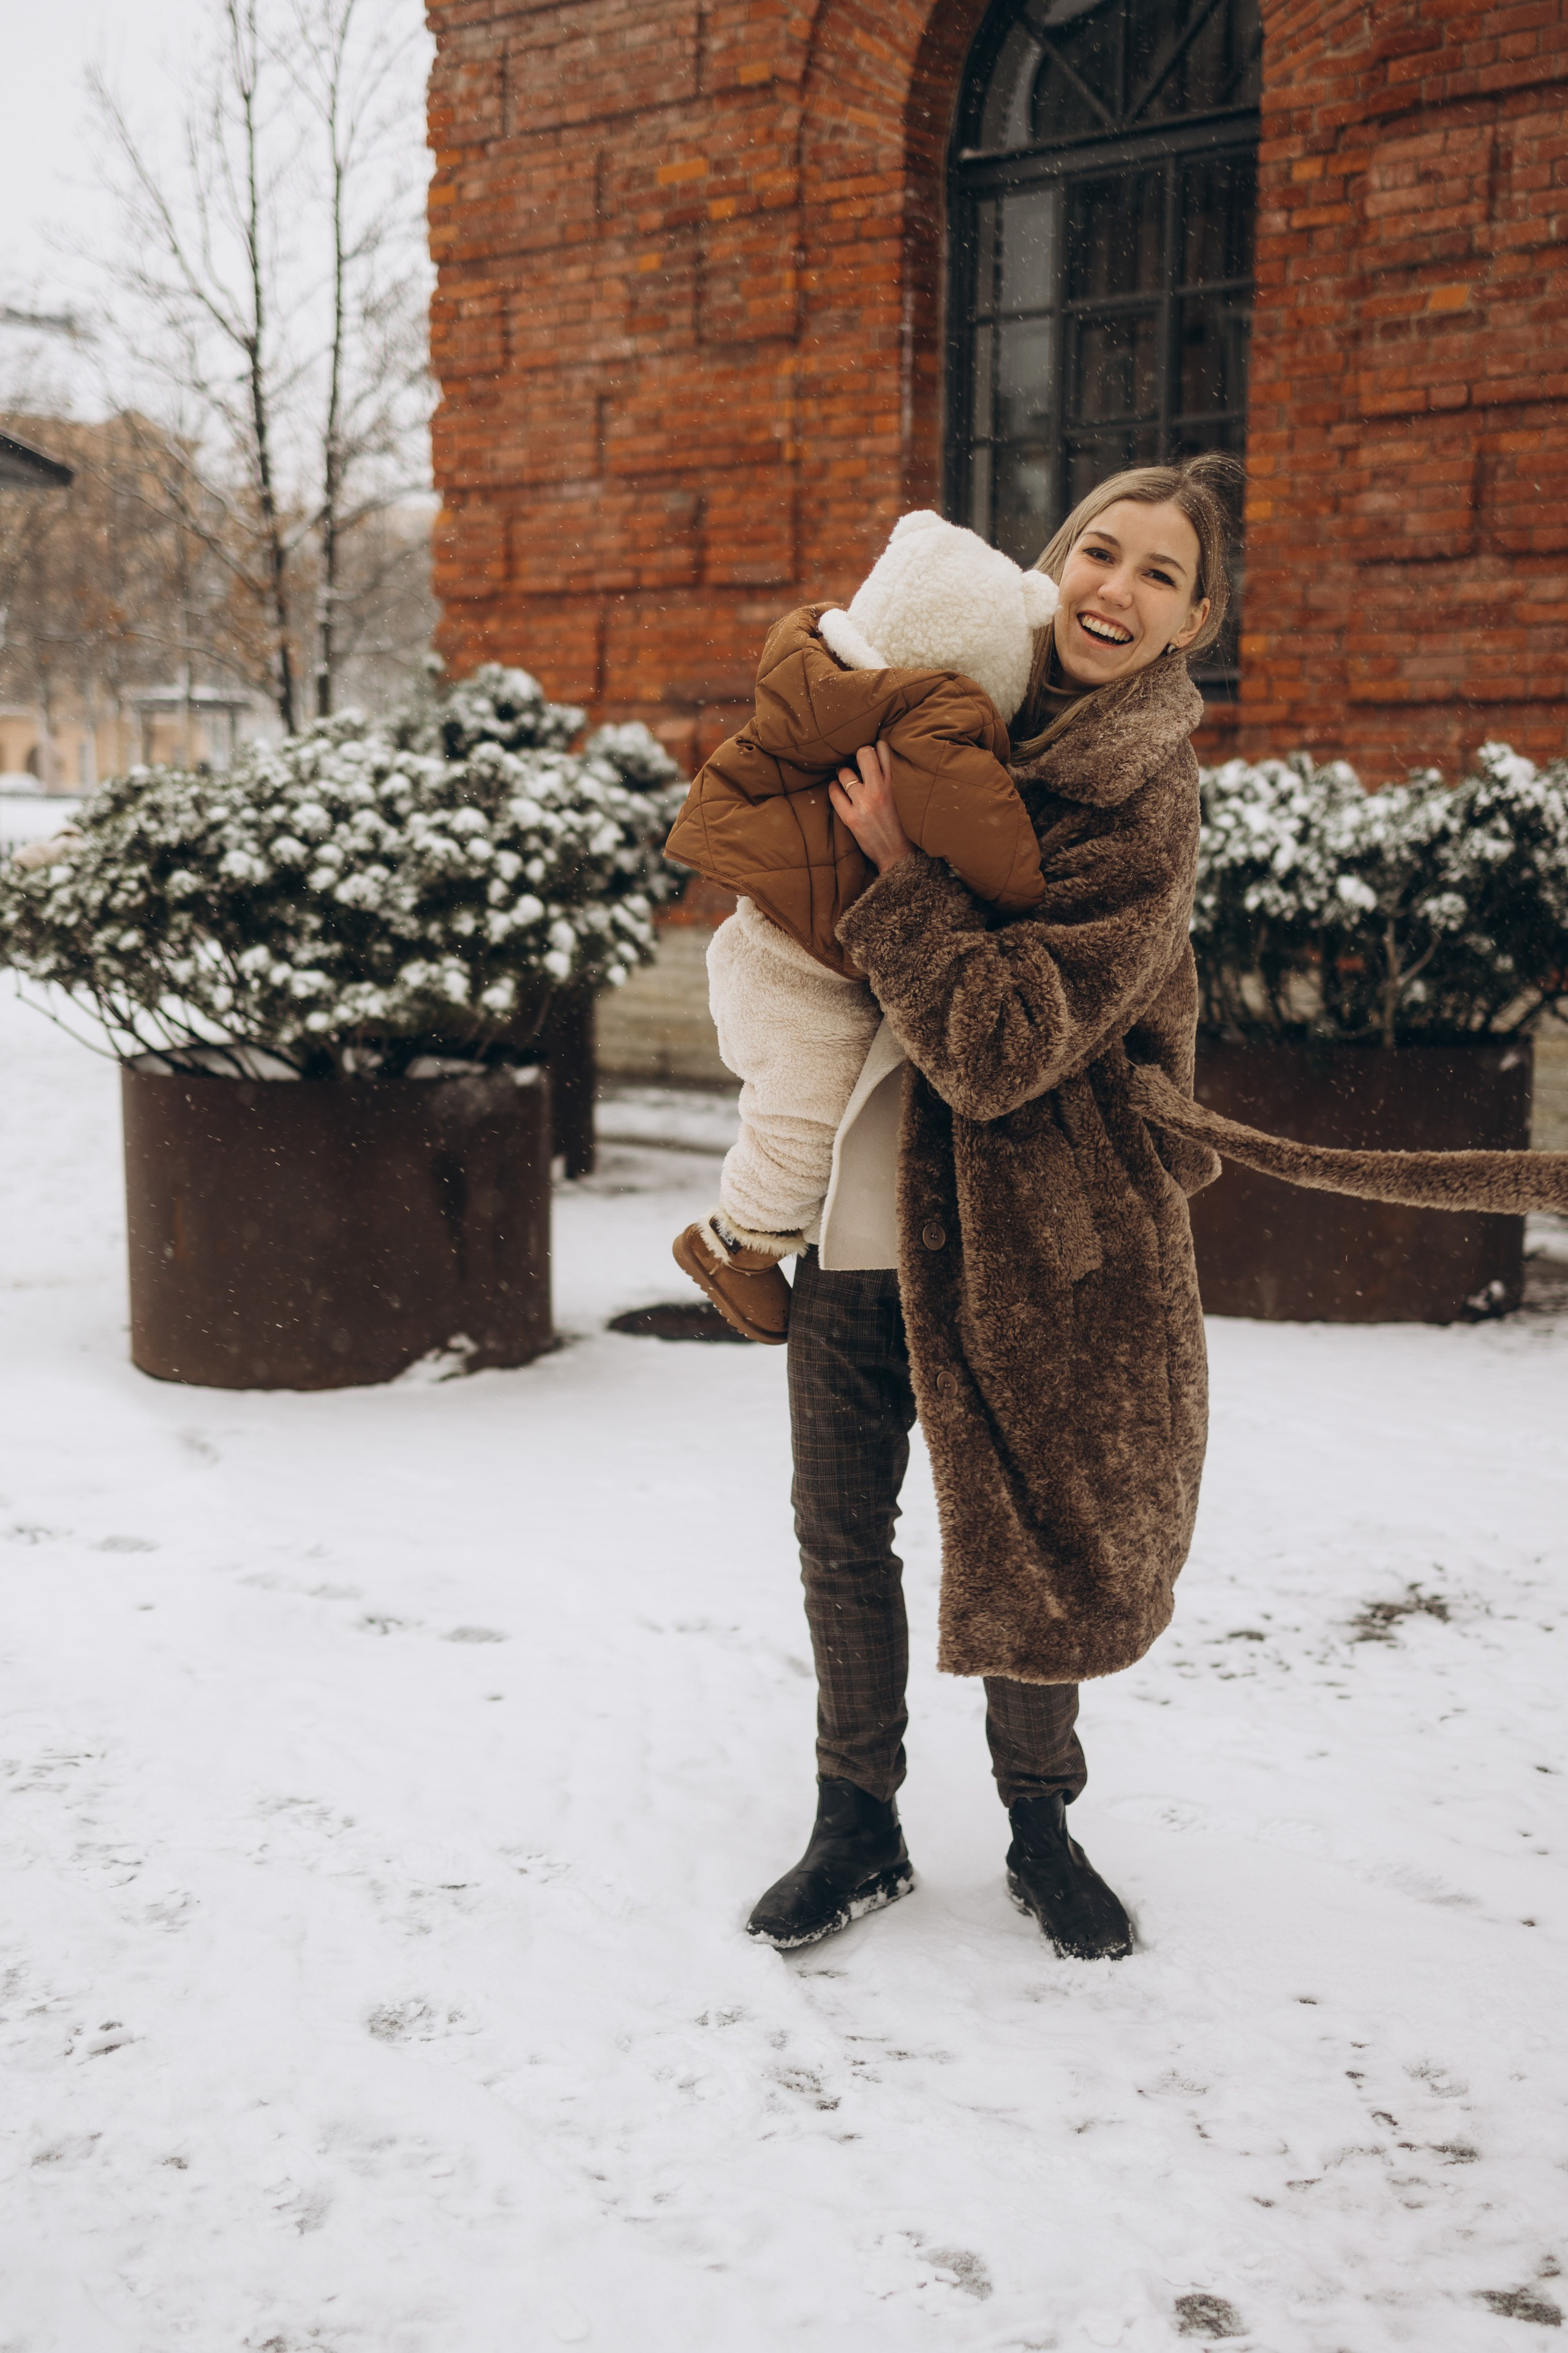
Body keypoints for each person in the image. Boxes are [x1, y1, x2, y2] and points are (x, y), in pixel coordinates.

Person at [716, 453, 1242, 1956]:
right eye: (1098, 550)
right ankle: (854, 1822)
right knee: (838, 1526)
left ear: (1192, 620)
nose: (1115, 589)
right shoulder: (955, 684)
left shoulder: (1141, 798)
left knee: (1031, 1532)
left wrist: (899, 872)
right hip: (859, 1196)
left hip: (1032, 1233)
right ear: (1053, 560)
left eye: (1157, 573)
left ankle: (1038, 1823)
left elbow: (1007, 1043)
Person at [663, 510, 1059, 1344]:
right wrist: (1028, 891)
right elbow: (988, 837)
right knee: (806, 1108)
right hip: (801, 961)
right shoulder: (935, 721)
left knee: (797, 1102)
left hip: (768, 931)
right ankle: (737, 1241)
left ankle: (759, 1227)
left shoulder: (819, 674)